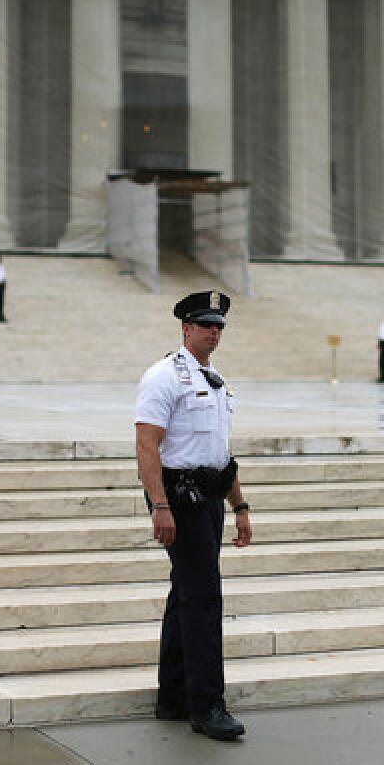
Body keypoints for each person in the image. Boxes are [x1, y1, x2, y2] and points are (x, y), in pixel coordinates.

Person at [134, 290, 252, 741]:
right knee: (204, 599)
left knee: (186, 594)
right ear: (185, 328)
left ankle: (174, 696)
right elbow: (147, 447)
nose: (213, 331)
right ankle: (207, 706)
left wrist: (239, 505)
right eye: (205, 324)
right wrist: (159, 505)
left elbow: (220, 453)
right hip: (178, 498)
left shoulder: (215, 379)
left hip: (209, 495)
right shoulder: (163, 377)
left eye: (218, 325)